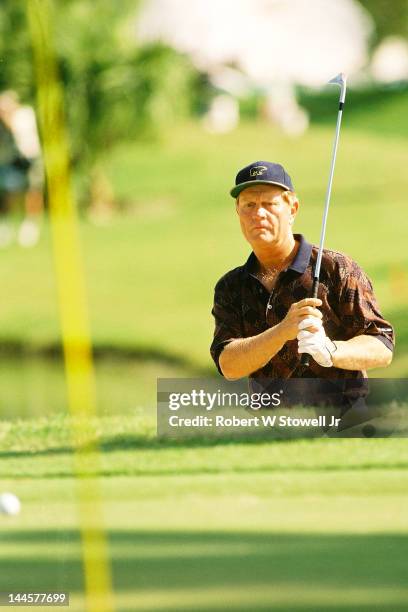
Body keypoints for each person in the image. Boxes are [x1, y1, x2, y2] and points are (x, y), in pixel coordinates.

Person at [210, 161, 394, 387]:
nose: (258, 213)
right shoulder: (231, 285)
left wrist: (331, 350)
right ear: (238, 211)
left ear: (293, 208)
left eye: (269, 203)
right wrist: (281, 332)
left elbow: (381, 345)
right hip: (271, 420)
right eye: (249, 205)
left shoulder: (334, 267)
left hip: (344, 418)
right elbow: (228, 365)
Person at [0, 91, 44, 247]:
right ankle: (5, 226)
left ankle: (30, 227)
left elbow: (16, 131)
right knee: (9, 193)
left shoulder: (25, 114)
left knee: (33, 191)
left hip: (30, 158)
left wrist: (6, 116)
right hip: (11, 160)